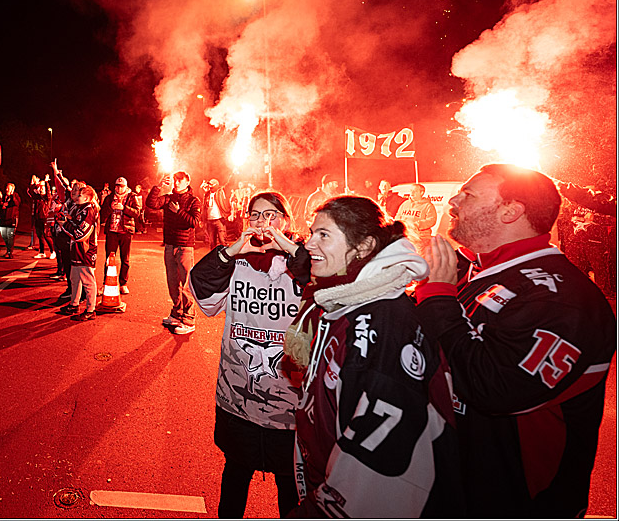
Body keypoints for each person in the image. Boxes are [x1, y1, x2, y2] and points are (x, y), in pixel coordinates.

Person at [415, 164, 616, 517]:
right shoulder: (480, 271)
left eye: (469, 195)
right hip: (453, 489)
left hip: (517, 503)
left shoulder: (563, 298)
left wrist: (439, 300)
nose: (453, 200)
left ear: (511, 211)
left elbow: (494, 389)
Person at [285, 195, 464, 517]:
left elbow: (376, 469)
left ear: (364, 246)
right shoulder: (349, 301)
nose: (309, 243)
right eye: (312, 232)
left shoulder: (381, 323)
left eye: (323, 234)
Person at [189, 192, 311, 518]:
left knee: (291, 491)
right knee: (235, 480)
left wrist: (286, 247)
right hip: (239, 396)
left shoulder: (304, 262)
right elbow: (202, 289)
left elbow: (324, 282)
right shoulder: (237, 262)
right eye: (255, 215)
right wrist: (230, 251)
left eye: (271, 215)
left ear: (286, 221)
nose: (262, 222)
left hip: (289, 405)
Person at [147, 171, 201, 335]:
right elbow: (152, 203)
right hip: (170, 245)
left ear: (187, 181)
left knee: (186, 283)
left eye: (180, 180)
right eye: (175, 180)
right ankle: (177, 313)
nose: (176, 183)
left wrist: (179, 212)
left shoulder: (193, 200)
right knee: (172, 281)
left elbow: (194, 222)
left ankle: (189, 318)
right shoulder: (168, 197)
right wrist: (157, 185)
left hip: (185, 246)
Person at [60, 184, 100, 321]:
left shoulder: (88, 210)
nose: (77, 197)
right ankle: (74, 304)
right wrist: (66, 220)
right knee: (74, 278)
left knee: (88, 280)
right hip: (77, 249)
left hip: (85, 250)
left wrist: (64, 224)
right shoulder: (79, 208)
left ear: (87, 197)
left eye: (80, 194)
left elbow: (80, 234)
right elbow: (75, 225)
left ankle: (90, 310)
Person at [100, 176, 141, 295]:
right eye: (117, 186)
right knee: (109, 259)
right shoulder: (109, 197)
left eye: (121, 186)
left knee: (125, 259)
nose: (118, 189)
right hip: (112, 231)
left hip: (126, 231)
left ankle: (123, 283)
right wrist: (110, 208)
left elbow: (137, 213)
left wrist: (124, 208)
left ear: (126, 187)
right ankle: (105, 283)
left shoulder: (132, 197)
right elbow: (102, 213)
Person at [395, 182, 437, 253]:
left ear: (421, 193)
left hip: (421, 239)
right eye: (411, 190)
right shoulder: (405, 204)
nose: (412, 193)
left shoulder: (428, 206)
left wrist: (417, 224)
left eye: (415, 191)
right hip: (406, 237)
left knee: (419, 258)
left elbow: (431, 220)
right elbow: (398, 216)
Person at [201, 178, 231, 249]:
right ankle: (213, 258)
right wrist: (202, 219)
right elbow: (204, 207)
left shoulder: (220, 192)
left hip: (219, 220)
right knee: (212, 242)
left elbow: (228, 184)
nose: (209, 185)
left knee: (223, 241)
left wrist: (234, 173)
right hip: (210, 220)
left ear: (215, 185)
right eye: (209, 184)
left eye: (211, 184)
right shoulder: (207, 194)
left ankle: (226, 258)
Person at [28, 179, 53, 258]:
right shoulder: (37, 197)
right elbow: (30, 192)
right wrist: (33, 183)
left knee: (46, 235)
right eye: (40, 186)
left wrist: (46, 182)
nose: (41, 188)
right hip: (37, 218)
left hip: (45, 218)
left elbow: (48, 192)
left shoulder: (47, 197)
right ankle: (42, 252)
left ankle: (53, 251)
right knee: (40, 236)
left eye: (43, 186)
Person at [0, 182, 22, 258]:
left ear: (12, 189)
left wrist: (12, 196)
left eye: (8, 188)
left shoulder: (15, 196)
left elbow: (17, 203)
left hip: (12, 218)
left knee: (10, 235)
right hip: (4, 218)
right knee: (4, 235)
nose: (7, 189)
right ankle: (7, 250)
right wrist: (2, 204)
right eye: (6, 187)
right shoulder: (4, 196)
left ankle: (9, 252)